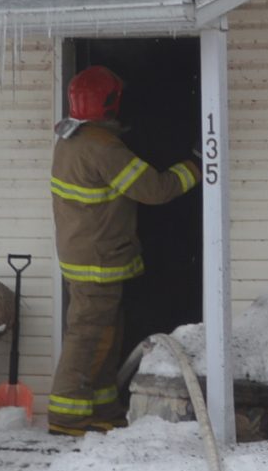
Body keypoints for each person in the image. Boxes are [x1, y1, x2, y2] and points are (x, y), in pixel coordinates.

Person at [49, 65, 199, 436]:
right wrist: (197, 165)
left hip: (84, 255)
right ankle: (67, 414)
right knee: (88, 337)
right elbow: (155, 189)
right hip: (99, 260)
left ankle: (103, 408)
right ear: (111, 102)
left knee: (103, 336)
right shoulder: (104, 148)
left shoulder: (69, 139)